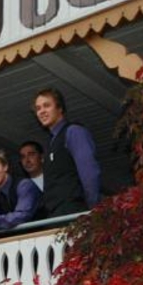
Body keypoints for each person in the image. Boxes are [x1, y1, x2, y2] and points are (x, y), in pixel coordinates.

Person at [34, 87, 101, 216]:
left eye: (46, 106)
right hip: (57, 215)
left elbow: (89, 173)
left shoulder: (73, 131)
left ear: (60, 108)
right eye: (38, 108)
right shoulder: (50, 142)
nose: (41, 111)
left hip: (75, 212)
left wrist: (93, 210)